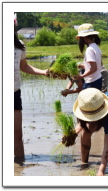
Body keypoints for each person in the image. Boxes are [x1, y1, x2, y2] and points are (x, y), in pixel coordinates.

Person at [14, 14, 49, 160]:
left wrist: (44, 72)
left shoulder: (19, 45)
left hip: (14, 93)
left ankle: (19, 168)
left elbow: (24, 66)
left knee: (17, 134)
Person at [73, 23, 103, 91]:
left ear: (84, 37)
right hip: (98, 79)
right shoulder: (96, 47)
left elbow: (93, 68)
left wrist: (80, 76)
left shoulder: (89, 50)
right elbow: (99, 65)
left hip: (92, 82)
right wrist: (84, 66)